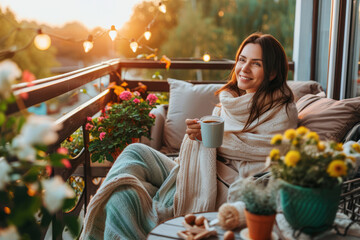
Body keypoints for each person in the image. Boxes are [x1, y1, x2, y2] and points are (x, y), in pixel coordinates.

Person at [80, 33, 298, 240]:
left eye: (256, 63)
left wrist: (210, 139)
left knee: (121, 197)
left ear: (272, 73)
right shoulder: (230, 102)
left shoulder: (282, 110)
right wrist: (197, 137)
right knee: (134, 151)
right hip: (197, 169)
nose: (244, 68)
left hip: (222, 184)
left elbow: (262, 153)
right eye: (242, 60)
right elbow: (220, 142)